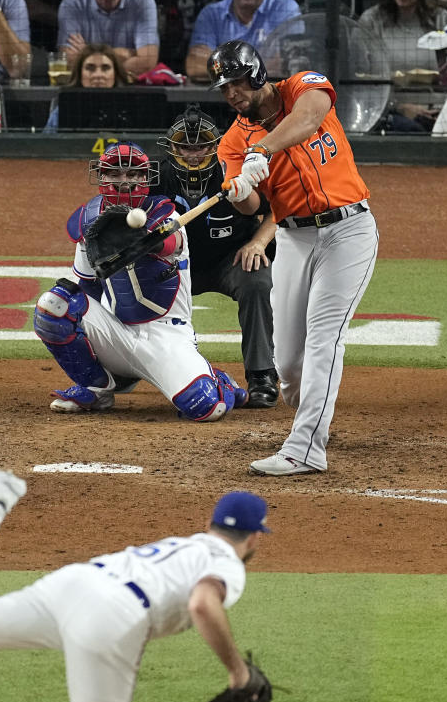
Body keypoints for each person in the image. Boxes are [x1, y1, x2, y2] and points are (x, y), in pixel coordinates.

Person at [0, 448, 271, 702]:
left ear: (208, 526)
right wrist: (238, 671)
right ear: (255, 537)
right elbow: (202, 605)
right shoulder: (227, 565)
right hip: (112, 614)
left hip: (73, 583)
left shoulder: (189, 543)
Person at [208, 40, 379, 475]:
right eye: (224, 88)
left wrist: (262, 150)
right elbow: (248, 208)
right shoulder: (230, 143)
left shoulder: (304, 86)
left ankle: (306, 447)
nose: (232, 94)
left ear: (258, 74)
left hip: (348, 231)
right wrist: (242, 191)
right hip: (293, 240)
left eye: (237, 82)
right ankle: (314, 411)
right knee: (288, 366)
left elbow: (307, 120)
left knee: (324, 337)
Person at [32, 142, 248, 420]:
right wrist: (96, 339)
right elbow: (86, 287)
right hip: (118, 332)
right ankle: (96, 389)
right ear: (102, 177)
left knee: (206, 408)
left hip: (165, 335)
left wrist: (147, 242)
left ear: (146, 179)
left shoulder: (165, 215)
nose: (125, 182)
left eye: (134, 175)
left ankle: (218, 381)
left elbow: (173, 242)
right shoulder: (91, 221)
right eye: (115, 174)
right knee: (54, 304)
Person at [156, 105, 280, 408]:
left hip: (230, 259)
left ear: (215, 145)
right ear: (172, 146)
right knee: (131, 279)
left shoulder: (236, 171)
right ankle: (124, 368)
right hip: (174, 265)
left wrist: (258, 243)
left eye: (201, 146)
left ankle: (262, 373)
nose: (193, 153)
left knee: (257, 281)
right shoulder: (156, 176)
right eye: (186, 146)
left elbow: (278, 208)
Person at [358, 0, 447, 131]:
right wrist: (398, 107)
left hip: (436, 110)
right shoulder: (372, 20)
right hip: (388, 112)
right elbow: (363, 81)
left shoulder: (440, 19)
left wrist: (445, 107)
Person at [184, 0, 301, 83]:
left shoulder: (285, 8)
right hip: (224, 99)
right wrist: (250, 67)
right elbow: (195, 65)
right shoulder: (211, 14)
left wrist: (221, 65)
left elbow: (286, 64)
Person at [42, 42, 129, 132]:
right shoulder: (66, 106)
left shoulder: (130, 105)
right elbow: (45, 143)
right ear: (80, 74)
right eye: (90, 68)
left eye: (105, 68)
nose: (98, 75)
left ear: (115, 73)